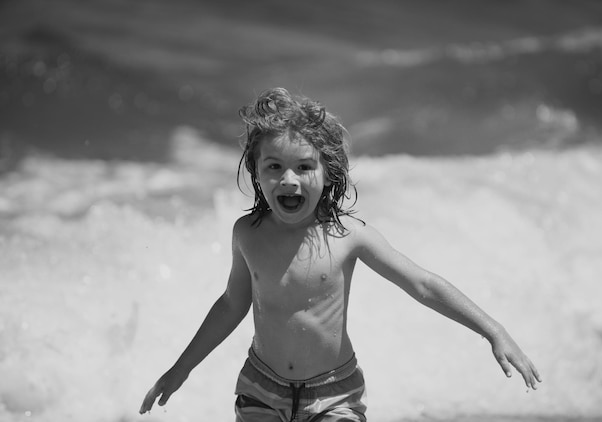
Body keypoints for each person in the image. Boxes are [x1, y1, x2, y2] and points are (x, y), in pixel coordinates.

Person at [139, 87, 541, 421]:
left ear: (328, 171)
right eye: (274, 166)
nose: (289, 179)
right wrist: (182, 368)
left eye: (304, 167)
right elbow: (231, 304)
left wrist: (494, 331)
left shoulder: (349, 237)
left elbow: (422, 284)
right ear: (256, 172)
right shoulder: (248, 234)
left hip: (334, 393)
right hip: (261, 388)